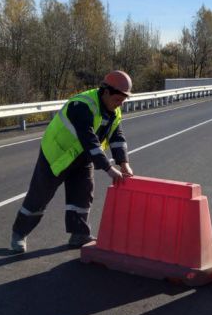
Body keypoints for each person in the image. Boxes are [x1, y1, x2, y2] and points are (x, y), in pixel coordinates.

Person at [9, 70, 135, 253]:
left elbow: (117, 136)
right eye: (118, 100)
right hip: (57, 156)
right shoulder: (82, 105)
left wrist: (124, 162)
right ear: (106, 91)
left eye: (123, 101)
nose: (119, 105)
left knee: (83, 194)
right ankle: (19, 234)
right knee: (39, 197)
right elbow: (89, 140)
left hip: (82, 157)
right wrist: (108, 168)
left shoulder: (113, 110)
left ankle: (79, 234)